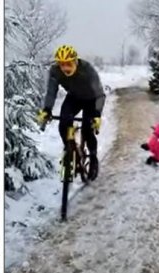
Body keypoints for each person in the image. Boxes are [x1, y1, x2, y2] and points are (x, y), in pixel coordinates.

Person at [37, 45, 106, 181]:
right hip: (74, 97)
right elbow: (51, 92)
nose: (65, 68)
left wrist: (97, 114)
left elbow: (100, 94)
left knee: (87, 129)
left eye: (69, 64)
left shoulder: (87, 70)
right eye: (62, 64)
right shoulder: (55, 71)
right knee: (63, 123)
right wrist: (47, 110)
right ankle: (70, 148)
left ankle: (93, 158)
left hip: (92, 99)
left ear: (75, 61)